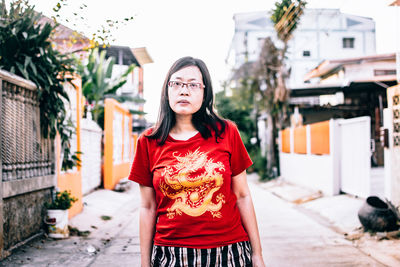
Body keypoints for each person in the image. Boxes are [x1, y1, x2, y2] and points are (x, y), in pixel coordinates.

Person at [128, 56, 266, 267]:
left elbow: (243, 195)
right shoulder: (148, 141)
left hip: (228, 253)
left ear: (205, 92)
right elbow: (147, 207)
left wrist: (257, 255)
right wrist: (144, 263)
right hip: (171, 255)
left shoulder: (227, 132)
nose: (184, 91)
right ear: (167, 90)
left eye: (193, 84)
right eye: (177, 83)